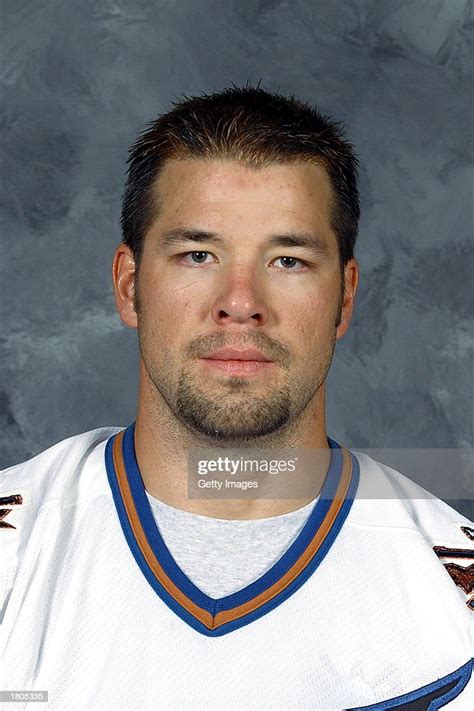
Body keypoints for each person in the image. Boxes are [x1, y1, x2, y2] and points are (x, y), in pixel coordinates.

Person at [1, 86, 472, 711]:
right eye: (198, 255)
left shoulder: (453, 616)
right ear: (129, 284)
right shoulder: (15, 558)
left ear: (346, 297)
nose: (241, 301)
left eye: (288, 260)